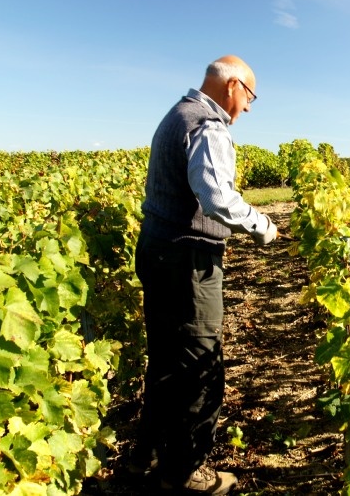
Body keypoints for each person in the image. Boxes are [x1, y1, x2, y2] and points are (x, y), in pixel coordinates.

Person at [130, 55, 278, 494]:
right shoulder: (208, 124)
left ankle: (144, 455)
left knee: (165, 360)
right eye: (249, 96)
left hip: (158, 250)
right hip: (188, 261)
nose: (247, 108)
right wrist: (262, 226)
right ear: (233, 85)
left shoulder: (177, 114)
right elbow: (217, 198)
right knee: (199, 366)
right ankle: (184, 472)